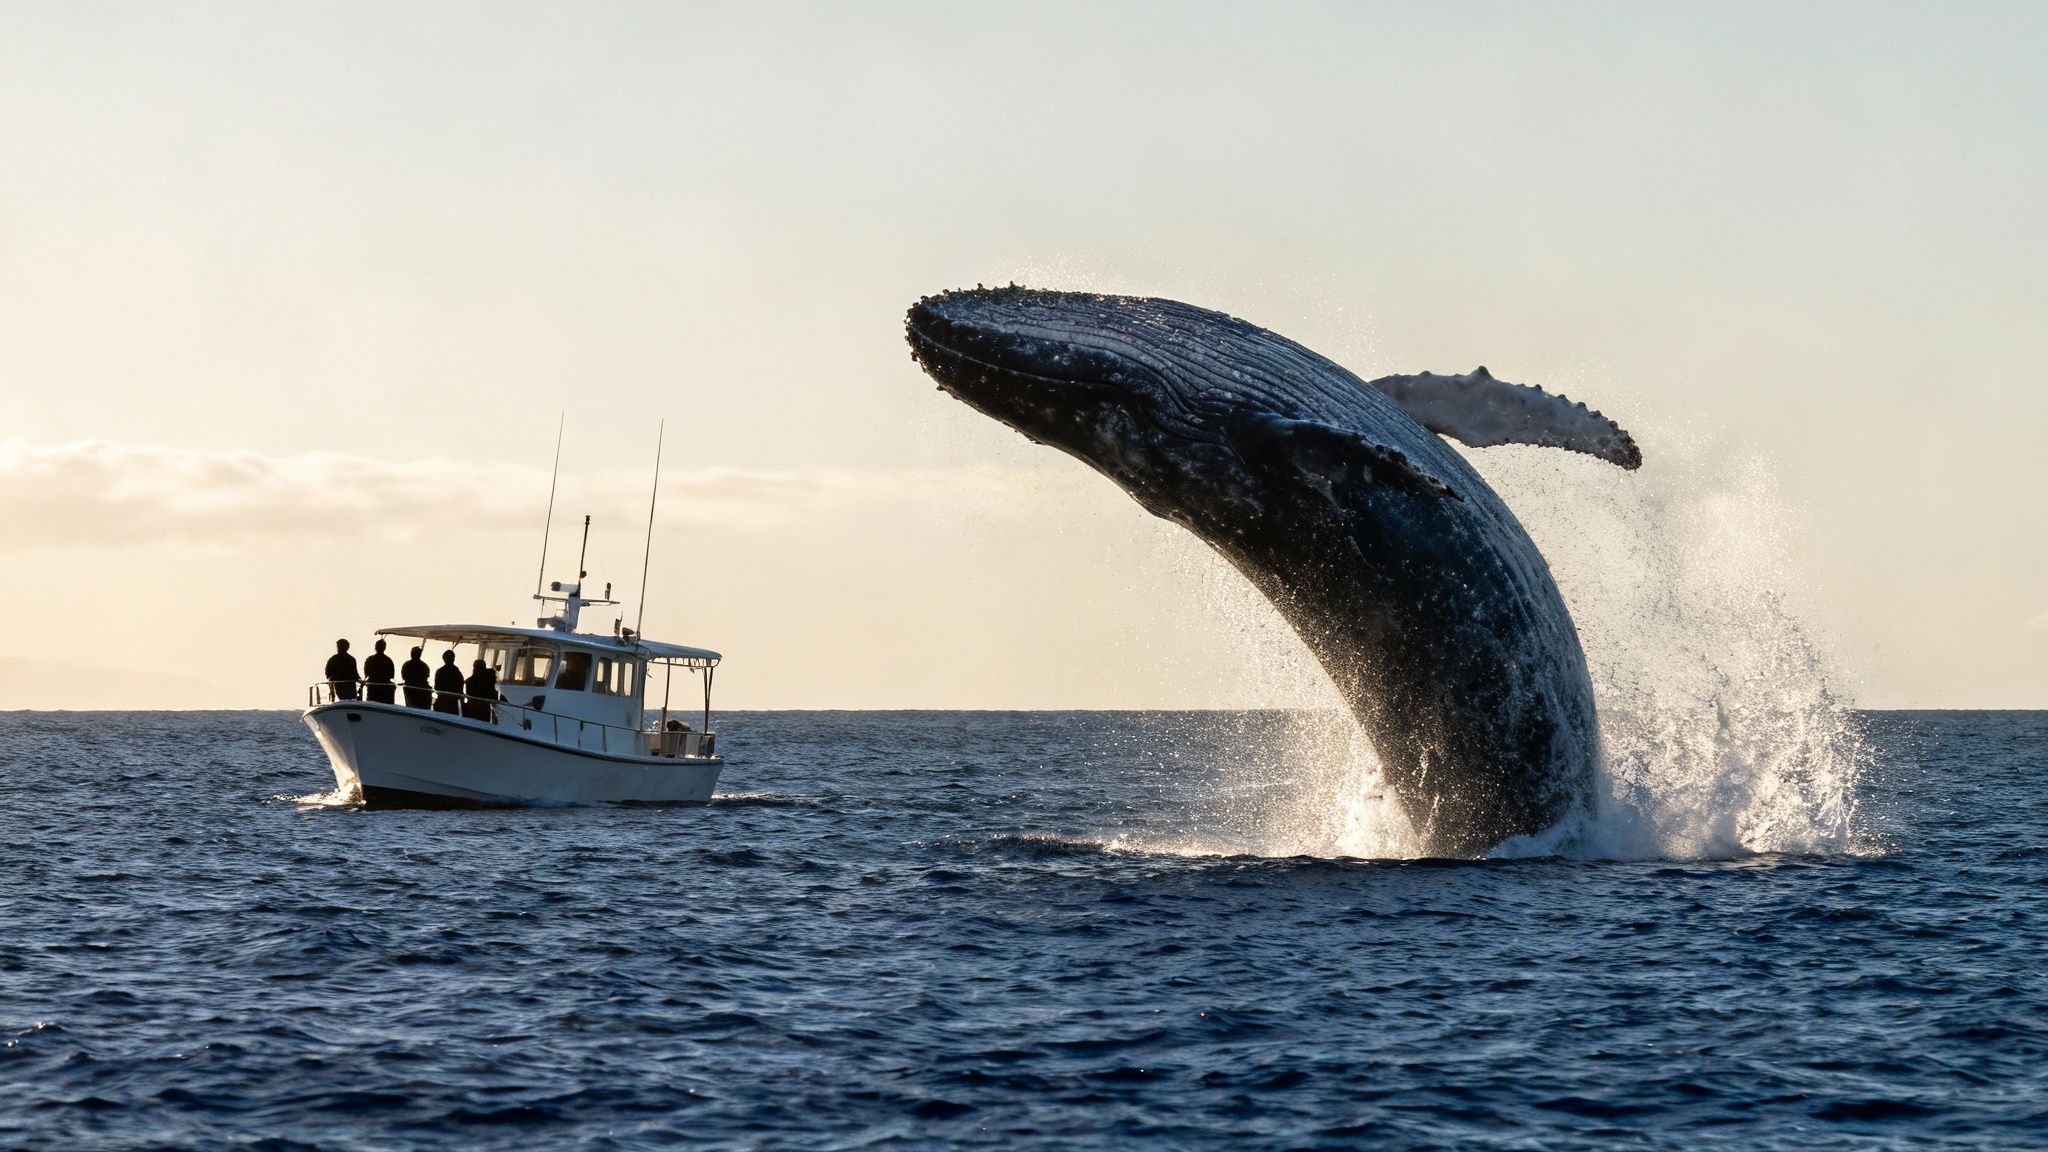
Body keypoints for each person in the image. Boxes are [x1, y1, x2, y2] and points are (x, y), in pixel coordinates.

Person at [362, 638, 396, 705]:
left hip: (372, 686)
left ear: (375, 647)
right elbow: (391, 675)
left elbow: (366, 673)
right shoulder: (388, 660)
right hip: (385, 687)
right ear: (384, 648)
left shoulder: (370, 659)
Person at [432, 650, 465, 715]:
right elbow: (460, 688)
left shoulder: (440, 672)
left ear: (444, 659)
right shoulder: (457, 672)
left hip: (442, 702)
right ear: (453, 659)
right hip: (453, 703)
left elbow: (437, 688)